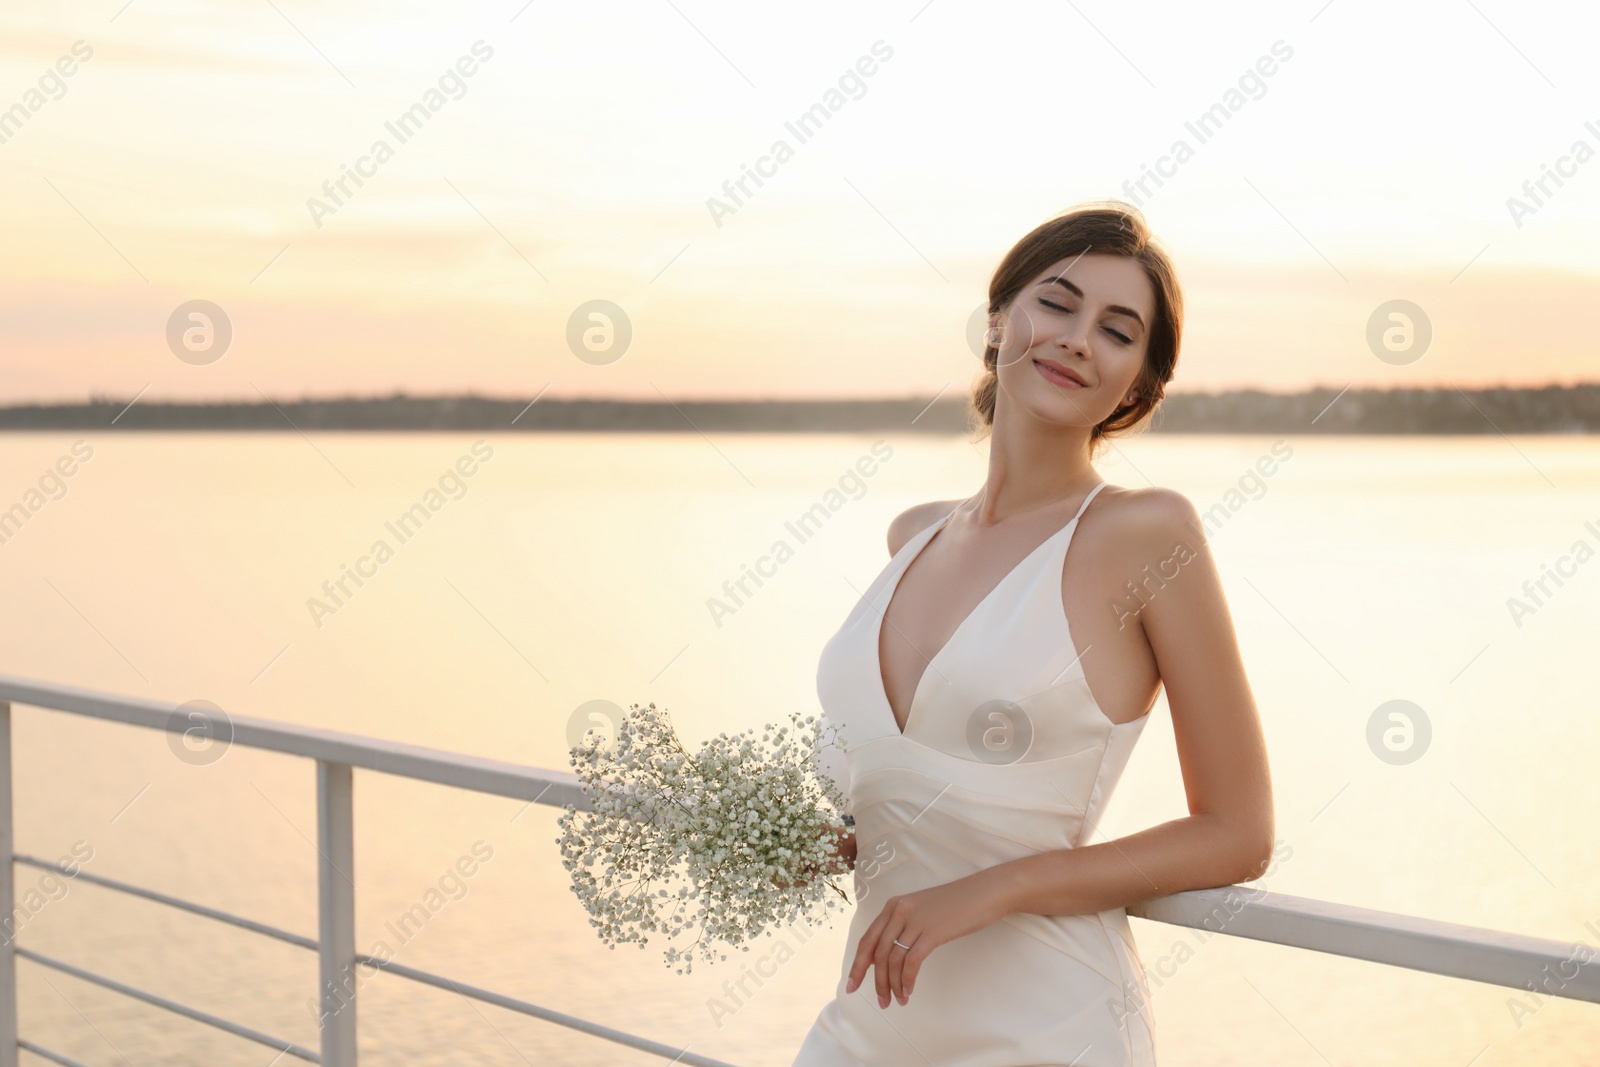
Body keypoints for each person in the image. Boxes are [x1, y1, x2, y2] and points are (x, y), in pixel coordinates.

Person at [794, 201, 1274, 1066]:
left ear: (1138, 386)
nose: (1079, 338)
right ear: (997, 321)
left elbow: (1238, 832)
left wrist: (1000, 887)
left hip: (1045, 1031)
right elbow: (924, 794)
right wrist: (817, 839)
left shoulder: (1151, 534)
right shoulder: (913, 536)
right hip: (865, 1022)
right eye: (1057, 303)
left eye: (1118, 330)